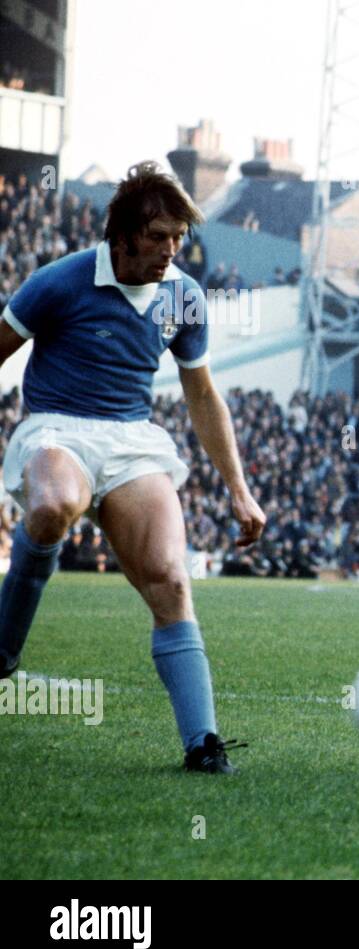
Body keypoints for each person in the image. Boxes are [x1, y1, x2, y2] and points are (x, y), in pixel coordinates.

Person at [0, 162, 266, 772]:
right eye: (158, 237)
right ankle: (6, 648)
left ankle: (202, 743)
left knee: (171, 583)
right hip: (56, 427)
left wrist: (239, 489)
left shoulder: (184, 297)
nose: (170, 251)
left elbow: (201, 395)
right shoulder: (59, 282)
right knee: (49, 507)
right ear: (121, 237)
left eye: (178, 237)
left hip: (132, 441)